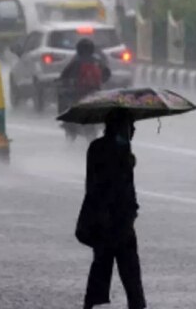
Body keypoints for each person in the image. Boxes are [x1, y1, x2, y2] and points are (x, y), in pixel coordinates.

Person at [77, 108, 146, 309]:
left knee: (101, 266)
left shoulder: (97, 147)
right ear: (121, 127)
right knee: (130, 271)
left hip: (102, 220)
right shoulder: (117, 151)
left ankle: (91, 304)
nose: (133, 130)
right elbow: (116, 186)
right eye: (130, 125)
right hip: (116, 221)